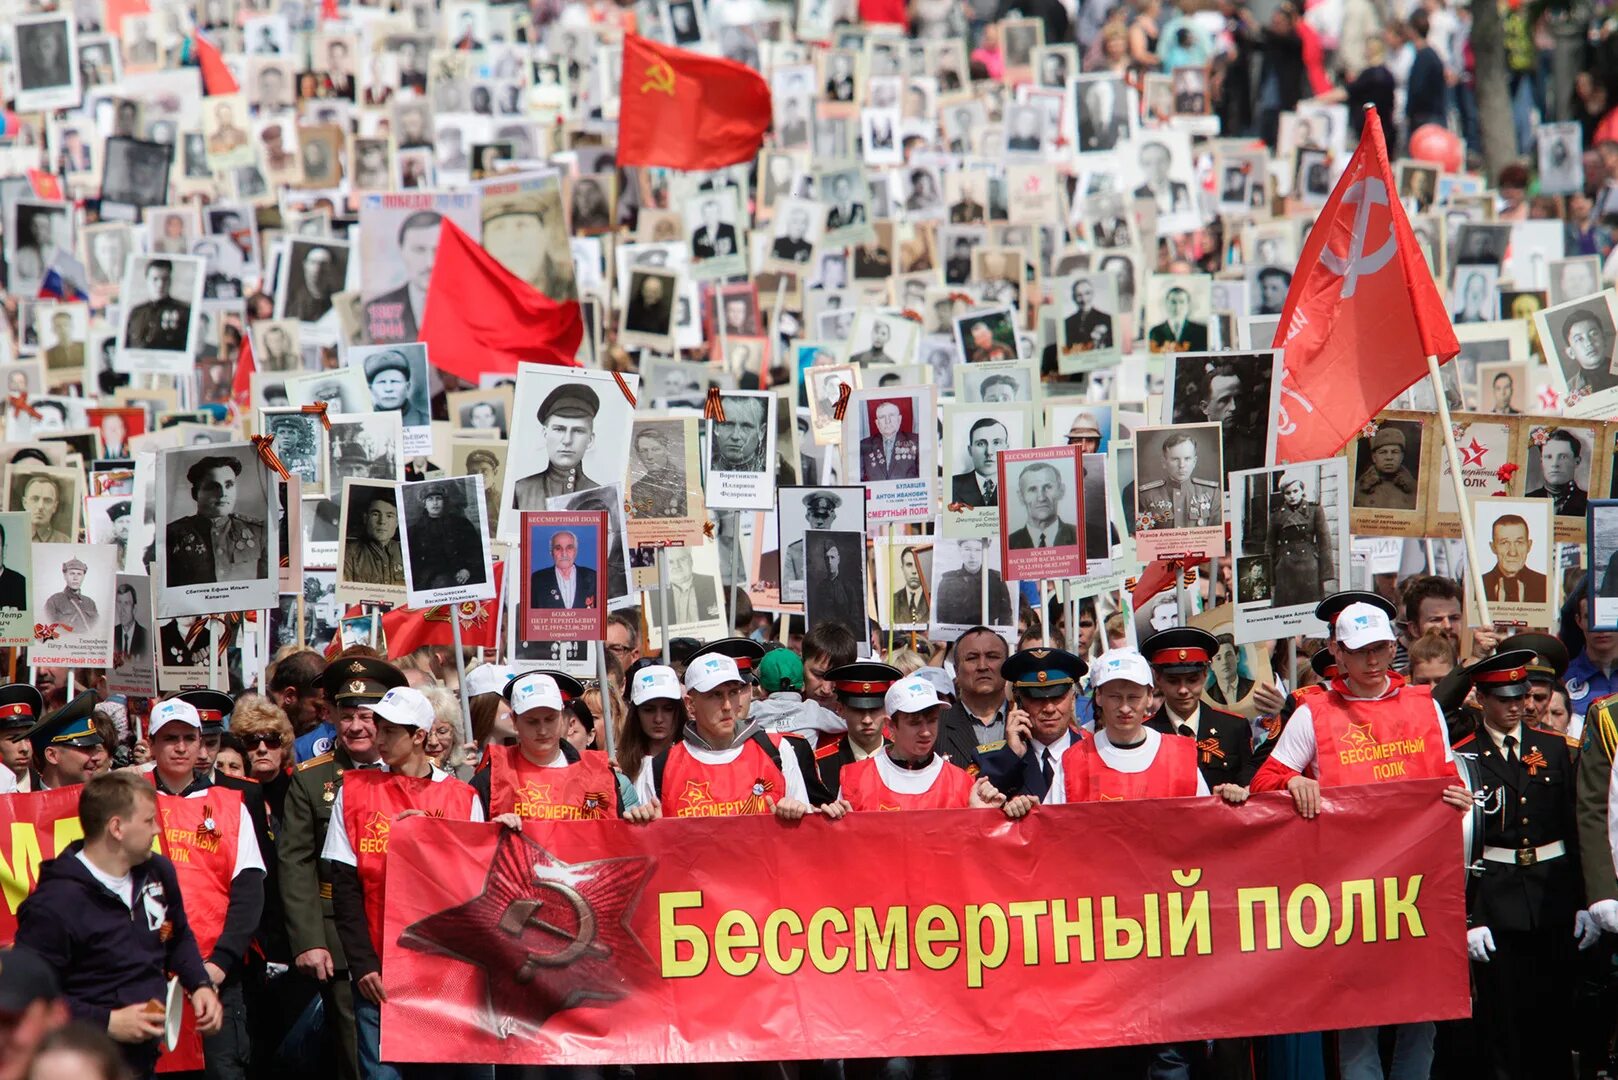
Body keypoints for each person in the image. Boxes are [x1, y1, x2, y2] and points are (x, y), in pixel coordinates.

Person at [1249, 596, 1473, 1080]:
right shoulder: (1314, 712)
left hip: (1419, 886)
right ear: (1338, 652)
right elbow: (1262, 783)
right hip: (1349, 891)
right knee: (1358, 1021)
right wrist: (1294, 780)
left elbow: (1448, 780)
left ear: (1393, 648)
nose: (1372, 661)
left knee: (1421, 1017)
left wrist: (1459, 800)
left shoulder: (1424, 705)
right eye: (1359, 650)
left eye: (1380, 649)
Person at [16, 771, 223, 1076]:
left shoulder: (157, 872)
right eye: (148, 820)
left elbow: (177, 936)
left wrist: (201, 984)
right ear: (116, 827)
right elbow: (30, 995)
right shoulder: (55, 904)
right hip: (82, 1063)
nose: (157, 829)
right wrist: (108, 1021)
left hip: (144, 1061)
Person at [321, 685, 481, 1078]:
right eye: (380, 726)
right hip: (379, 974)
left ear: (420, 737)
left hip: (444, 976)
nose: (380, 737)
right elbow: (345, 886)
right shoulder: (354, 792)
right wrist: (362, 965)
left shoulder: (463, 798)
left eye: (392, 730)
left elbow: (475, 887)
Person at [1450, 651, 1585, 1079]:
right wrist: (1470, 917)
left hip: (1553, 898)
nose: (1516, 706)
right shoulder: (1464, 757)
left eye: (1521, 696)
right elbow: (1460, 845)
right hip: (1497, 900)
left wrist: (1585, 899)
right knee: (1502, 1024)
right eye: (1503, 697)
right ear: (1481, 699)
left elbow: (1573, 824)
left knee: (1556, 1018)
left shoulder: (1553, 748)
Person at [279, 656, 405, 1080]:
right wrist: (309, 940)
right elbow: (295, 862)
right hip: (342, 938)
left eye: (367, 716)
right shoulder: (313, 779)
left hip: (405, 934)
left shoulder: (409, 773)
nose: (356, 727)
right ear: (331, 716)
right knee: (357, 1054)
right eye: (346, 716)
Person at [141, 697, 266, 1078]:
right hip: (143, 976)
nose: (180, 748)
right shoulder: (129, 798)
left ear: (201, 744)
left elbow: (249, 892)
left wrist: (221, 962)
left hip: (214, 974)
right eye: (169, 738)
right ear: (152, 744)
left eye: (188, 738)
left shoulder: (231, 804)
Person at [634, 652, 817, 817]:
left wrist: (795, 813)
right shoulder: (659, 767)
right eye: (715, 695)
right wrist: (652, 830)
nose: (728, 705)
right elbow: (648, 847)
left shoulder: (778, 750)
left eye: (733, 692)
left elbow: (805, 837)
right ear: (690, 704)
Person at [831, 675, 1035, 818]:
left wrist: (982, 816)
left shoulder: (961, 782)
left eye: (932, 720)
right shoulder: (856, 779)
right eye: (914, 722)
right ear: (890, 725)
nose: (926, 731)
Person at [471, 672, 642, 821]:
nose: (543, 730)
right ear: (515, 721)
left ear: (562, 717)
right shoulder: (491, 778)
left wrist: (641, 824)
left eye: (550, 719)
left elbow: (617, 840)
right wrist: (494, 833)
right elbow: (473, 846)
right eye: (532, 721)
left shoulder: (599, 774)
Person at [1142, 628, 1258, 789]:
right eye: (1173, 681)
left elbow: (1248, 781)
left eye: (1192, 680)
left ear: (1205, 673)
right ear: (1158, 677)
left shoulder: (1233, 727)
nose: (1183, 690)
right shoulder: (1145, 733)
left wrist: (1239, 791)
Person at [975, 648, 1088, 803]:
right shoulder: (991, 760)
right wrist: (1012, 755)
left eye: (1057, 697)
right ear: (1018, 703)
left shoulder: (1094, 754)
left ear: (1073, 699)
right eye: (1037, 699)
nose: (1049, 709)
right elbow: (979, 805)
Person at [166, 455, 269, 586]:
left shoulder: (259, 532)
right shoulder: (171, 535)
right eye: (213, 487)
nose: (222, 493)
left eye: (229, 485)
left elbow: (266, 588)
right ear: (195, 493)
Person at [513, 385, 599, 506]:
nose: (567, 440)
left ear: (590, 440)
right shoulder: (520, 491)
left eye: (578, 431)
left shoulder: (601, 496)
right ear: (545, 434)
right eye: (559, 429)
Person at [1266, 475, 1337, 605]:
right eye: (1287, 493)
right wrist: (1270, 576)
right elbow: (1270, 545)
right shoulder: (1276, 515)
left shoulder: (1314, 510)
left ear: (1302, 491)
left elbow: (1324, 541)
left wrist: (1326, 572)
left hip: (1309, 566)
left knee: (1311, 606)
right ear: (1283, 495)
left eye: (1295, 491)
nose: (1292, 496)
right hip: (1285, 568)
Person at [1138, 432, 1220, 528]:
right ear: (1164, 462)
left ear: (1194, 462)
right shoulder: (1146, 496)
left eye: (1187, 458)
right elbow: (1145, 538)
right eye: (1175, 459)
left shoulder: (1212, 493)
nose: (1181, 465)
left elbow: (1217, 536)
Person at [934, 541, 1012, 627]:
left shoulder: (996, 579)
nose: (972, 556)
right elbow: (941, 619)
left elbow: (1006, 617)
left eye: (978, 550)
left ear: (985, 552)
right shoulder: (948, 581)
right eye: (967, 549)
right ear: (960, 550)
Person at [125, 258, 191, 350]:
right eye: (155, 279)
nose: (160, 284)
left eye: (165, 279)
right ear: (147, 280)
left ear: (170, 281)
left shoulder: (185, 312)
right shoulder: (136, 313)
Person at [784, 491, 841, 596]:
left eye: (824, 516)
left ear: (833, 517)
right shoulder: (794, 551)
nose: (819, 521)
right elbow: (787, 592)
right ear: (807, 517)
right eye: (815, 515)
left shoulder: (843, 548)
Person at [1007, 462, 1076, 549]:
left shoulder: (1081, 536)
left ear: (1061, 491)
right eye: (1032, 489)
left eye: (1048, 487)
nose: (1041, 498)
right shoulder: (1008, 544)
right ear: (1021, 497)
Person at [343, 489, 403, 586]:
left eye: (389, 516)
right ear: (365, 519)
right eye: (375, 514)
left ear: (397, 522)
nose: (382, 521)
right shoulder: (349, 554)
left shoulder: (405, 552)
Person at [1480, 513, 1546, 603]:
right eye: (1504, 543)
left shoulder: (1545, 584)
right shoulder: (1477, 585)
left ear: (1529, 546)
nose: (1512, 552)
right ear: (1493, 547)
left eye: (1519, 542)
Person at [1526, 428, 1588, 516]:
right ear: (1541, 461)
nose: (1555, 464)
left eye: (1563, 457)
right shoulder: (1527, 500)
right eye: (1548, 457)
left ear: (1576, 461)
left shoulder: (1587, 501)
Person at [1355, 425, 1418, 509]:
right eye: (1383, 452)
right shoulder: (1356, 489)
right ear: (1374, 457)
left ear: (1402, 456)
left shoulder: (1418, 490)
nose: (1389, 457)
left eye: (1395, 452)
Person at [629, 427, 687, 518]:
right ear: (638, 455)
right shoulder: (636, 489)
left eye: (655, 449)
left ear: (666, 450)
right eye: (644, 451)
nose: (649, 456)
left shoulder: (685, 480)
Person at [361, 349, 428, 428]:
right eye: (381, 382)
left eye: (395, 381)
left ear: (407, 387)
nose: (388, 389)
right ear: (371, 389)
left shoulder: (425, 422)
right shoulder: (362, 425)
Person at [531, 529, 596, 609]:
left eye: (569, 548)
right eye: (558, 548)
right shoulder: (536, 580)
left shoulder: (594, 577)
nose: (564, 553)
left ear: (575, 552)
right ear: (551, 552)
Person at [1558, 309, 1618, 395]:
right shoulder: (1569, 391)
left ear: (1604, 338)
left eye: (1593, 334)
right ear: (1571, 352)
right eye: (1579, 339)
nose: (1589, 343)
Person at [951, 418, 1007, 507]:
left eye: (996, 443)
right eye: (981, 444)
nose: (989, 452)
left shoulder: (1017, 485)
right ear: (970, 450)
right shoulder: (952, 485)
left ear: (1006, 449)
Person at [859, 401, 920, 481]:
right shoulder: (864, 445)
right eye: (882, 417)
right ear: (877, 423)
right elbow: (859, 481)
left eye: (891, 415)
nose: (888, 421)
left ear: (899, 419)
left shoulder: (916, 441)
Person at [710, 394, 767, 473]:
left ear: (761, 432)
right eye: (728, 425)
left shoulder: (774, 478)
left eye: (746, 427)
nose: (735, 436)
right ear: (716, 427)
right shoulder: (702, 470)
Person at [42, 558, 98, 631]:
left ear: (83, 577)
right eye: (72, 573)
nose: (75, 578)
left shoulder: (90, 603)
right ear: (65, 576)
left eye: (79, 574)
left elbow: (97, 629)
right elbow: (47, 628)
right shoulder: (54, 601)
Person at [1146, 285, 1208, 352]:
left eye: (1181, 302)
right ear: (1166, 304)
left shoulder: (1201, 331)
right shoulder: (1155, 331)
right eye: (1173, 302)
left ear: (1188, 305)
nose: (1177, 307)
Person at [1062, 278, 1113, 352]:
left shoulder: (1107, 319)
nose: (1084, 299)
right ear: (1073, 298)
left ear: (1093, 294)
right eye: (1079, 295)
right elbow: (1066, 350)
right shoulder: (1066, 323)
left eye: (1087, 293)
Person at [20, 475, 69, 543]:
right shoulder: (12, 537)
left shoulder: (65, 542)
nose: (40, 506)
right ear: (25, 503)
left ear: (55, 507)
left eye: (47, 501)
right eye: (35, 499)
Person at [890, 547, 929, 627]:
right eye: (909, 565)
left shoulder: (933, 600)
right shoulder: (893, 600)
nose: (914, 571)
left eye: (918, 564)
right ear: (903, 569)